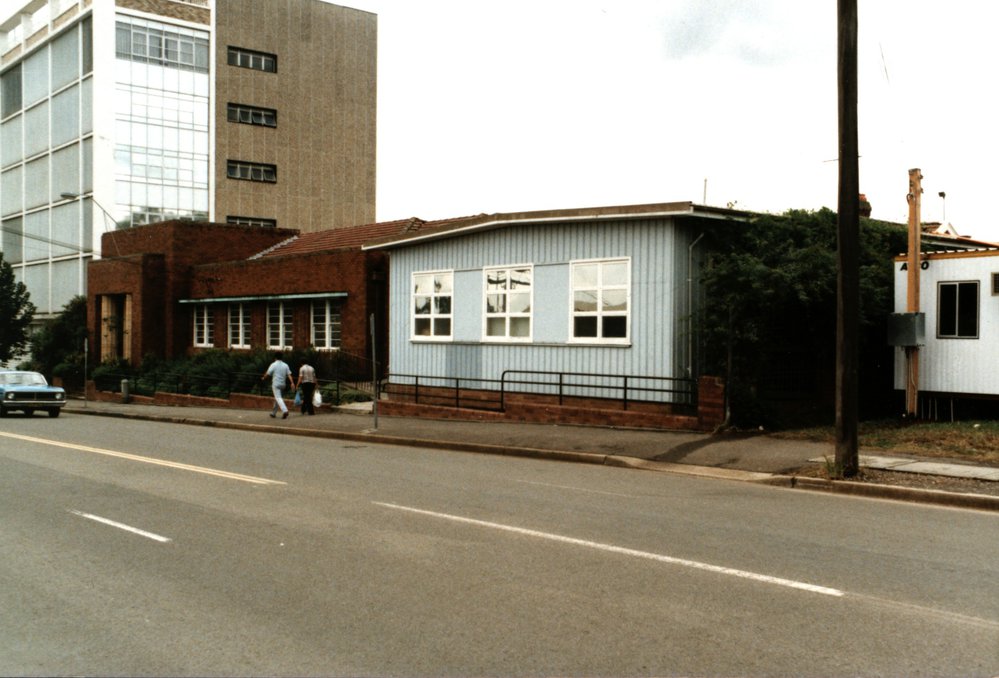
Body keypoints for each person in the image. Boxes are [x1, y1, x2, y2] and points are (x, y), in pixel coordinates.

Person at [261, 352, 292, 419]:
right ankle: (273, 413)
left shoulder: (273, 364)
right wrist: (292, 383)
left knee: (278, 398)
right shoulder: (285, 365)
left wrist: (263, 378)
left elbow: (268, 373)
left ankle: (285, 410)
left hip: (276, 384)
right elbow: (289, 375)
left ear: (275, 357)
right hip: (283, 384)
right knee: (277, 398)